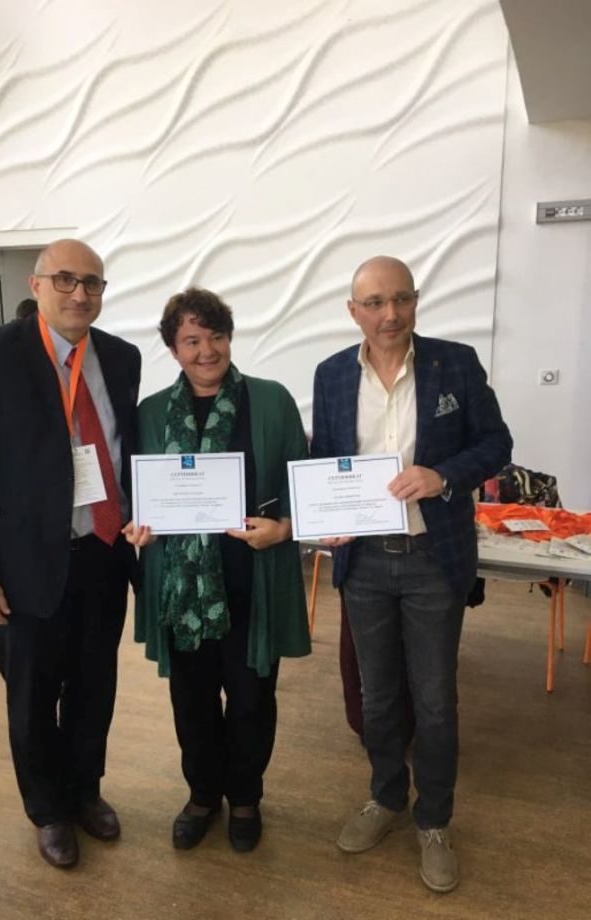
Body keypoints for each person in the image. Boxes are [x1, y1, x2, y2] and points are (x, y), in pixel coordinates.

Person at [310, 256, 512, 893]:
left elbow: (497, 444)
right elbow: (326, 459)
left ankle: (434, 819)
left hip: (432, 559)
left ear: (415, 301)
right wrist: (327, 516)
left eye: (400, 299)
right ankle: (386, 796)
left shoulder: (456, 363)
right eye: (374, 303)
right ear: (354, 312)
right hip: (364, 562)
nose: (390, 314)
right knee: (377, 696)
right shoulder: (332, 374)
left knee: (435, 700)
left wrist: (442, 475)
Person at [0, 239, 141, 870]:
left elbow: (124, 450)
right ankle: (47, 809)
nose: (79, 293)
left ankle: (84, 790)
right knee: (31, 695)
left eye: (92, 283)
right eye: (65, 280)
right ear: (36, 284)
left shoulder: (122, 357)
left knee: (94, 684)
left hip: (104, 552)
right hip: (24, 564)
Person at [123, 287, 310, 853]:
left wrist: (284, 529)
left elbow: (301, 485)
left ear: (230, 338)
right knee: (192, 700)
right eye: (191, 340)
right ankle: (203, 795)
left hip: (251, 580)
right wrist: (138, 525)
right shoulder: (150, 412)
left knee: (252, 700)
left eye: (216, 336)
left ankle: (246, 796)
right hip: (182, 590)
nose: (207, 351)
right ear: (173, 349)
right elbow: (136, 493)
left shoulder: (271, 401)